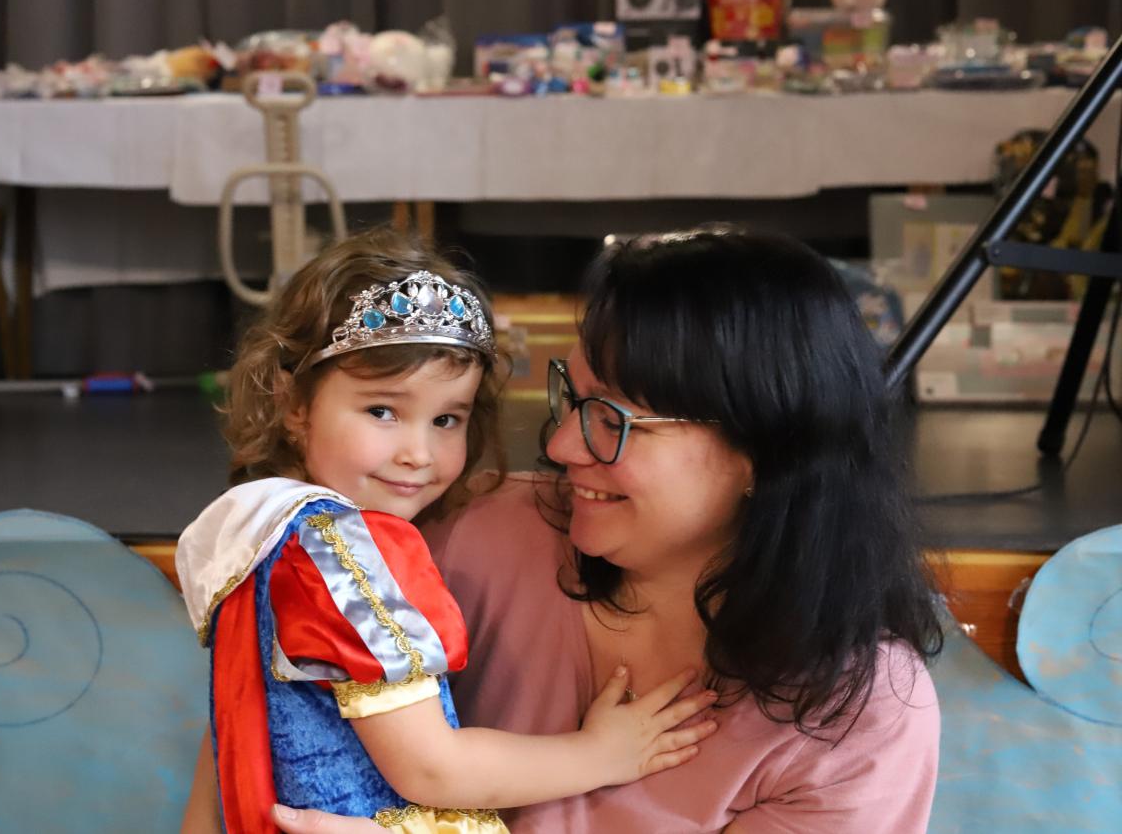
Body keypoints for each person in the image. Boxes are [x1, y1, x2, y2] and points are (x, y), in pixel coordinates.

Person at [252, 225, 944, 834]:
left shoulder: (858, 717)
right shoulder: (471, 540)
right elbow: (251, 741)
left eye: (614, 421)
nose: (561, 447)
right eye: (573, 399)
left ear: (762, 455)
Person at [176, 228, 718, 834]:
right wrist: (601, 754)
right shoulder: (345, 553)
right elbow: (431, 770)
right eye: (382, 410)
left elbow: (226, 740)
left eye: (446, 419)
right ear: (293, 403)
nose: (418, 453)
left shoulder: (262, 531)